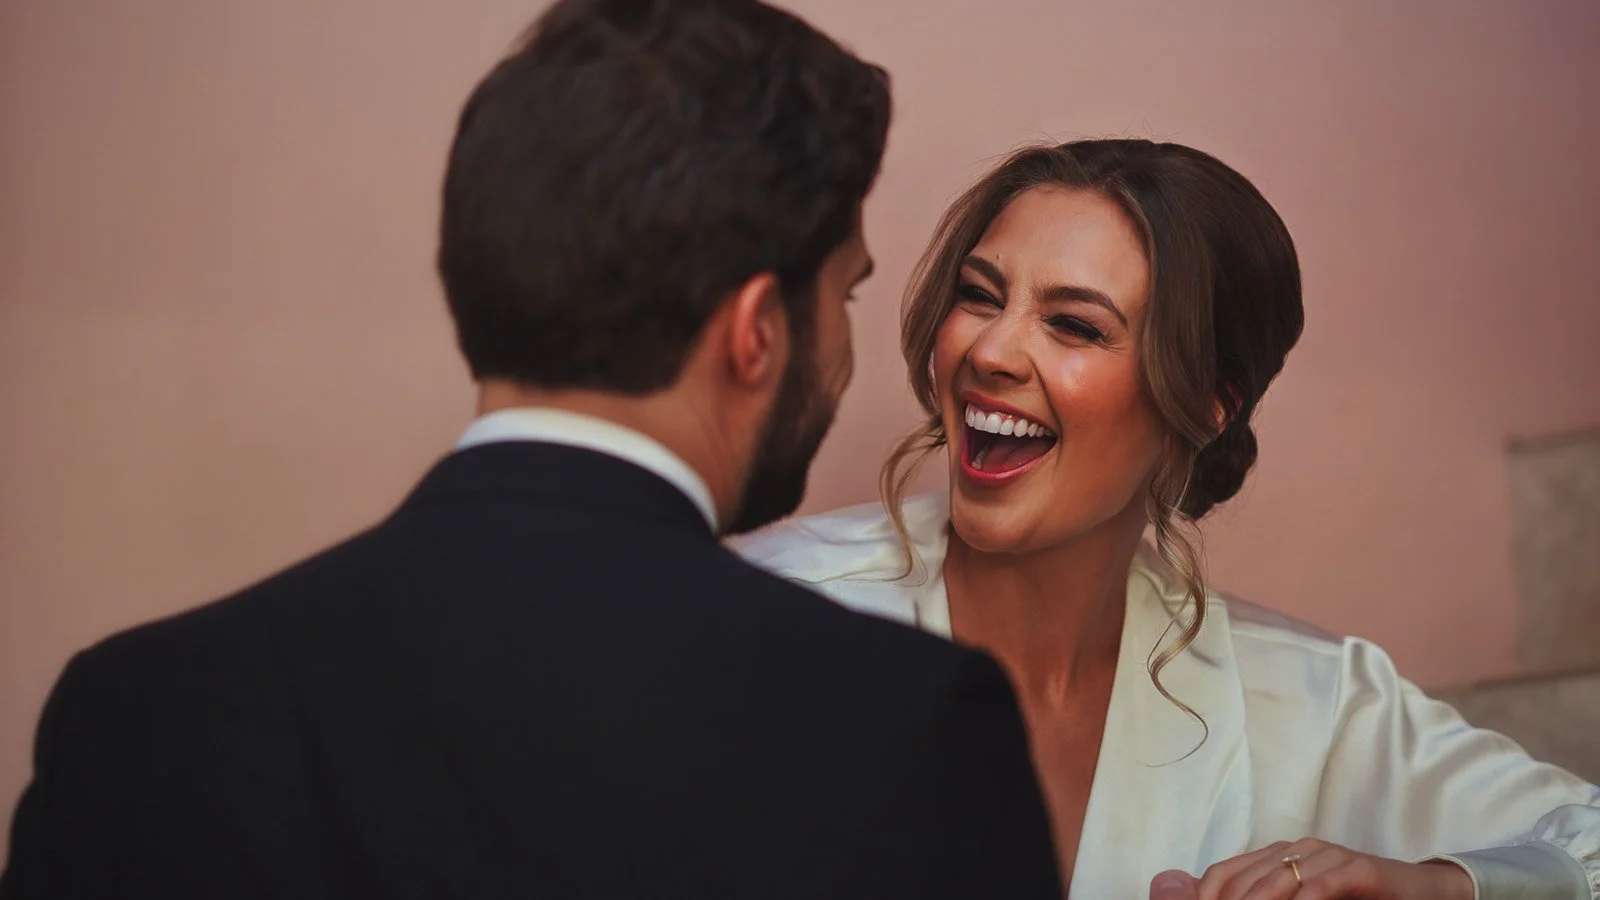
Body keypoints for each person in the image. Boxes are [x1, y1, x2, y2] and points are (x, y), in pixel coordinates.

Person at [0, 1, 1065, 896]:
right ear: (755, 331)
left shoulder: (129, 716)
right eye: (847, 293)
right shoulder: (902, 727)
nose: (844, 352)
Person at [734, 139, 1600, 900]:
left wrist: (1441, 886)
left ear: (1207, 405)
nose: (990, 352)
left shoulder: (1311, 701)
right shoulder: (770, 611)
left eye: (1073, 325)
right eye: (980, 295)